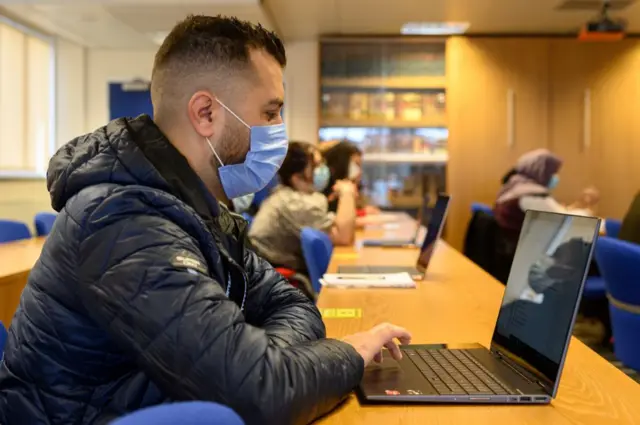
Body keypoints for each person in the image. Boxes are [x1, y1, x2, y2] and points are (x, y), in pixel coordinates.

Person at [0, 15, 411, 425]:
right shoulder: (122, 223)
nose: (279, 131)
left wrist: (262, 358)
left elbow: (292, 306)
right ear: (206, 113)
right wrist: (351, 354)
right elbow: (261, 395)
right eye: (270, 112)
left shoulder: (201, 210)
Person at [249, 141, 357, 278]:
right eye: (316, 166)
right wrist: (347, 192)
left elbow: (338, 225)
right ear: (296, 177)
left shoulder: (288, 196)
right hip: (275, 279)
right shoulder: (294, 203)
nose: (322, 170)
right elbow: (343, 236)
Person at [494, 149, 564, 239]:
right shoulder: (532, 195)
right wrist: (585, 211)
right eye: (552, 173)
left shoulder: (516, 187)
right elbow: (562, 220)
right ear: (540, 172)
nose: (555, 177)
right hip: (524, 247)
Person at [321, 141, 380, 215]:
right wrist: (362, 212)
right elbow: (337, 218)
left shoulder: (352, 187)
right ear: (341, 164)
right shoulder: (327, 192)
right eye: (356, 165)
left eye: (360, 166)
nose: (359, 172)